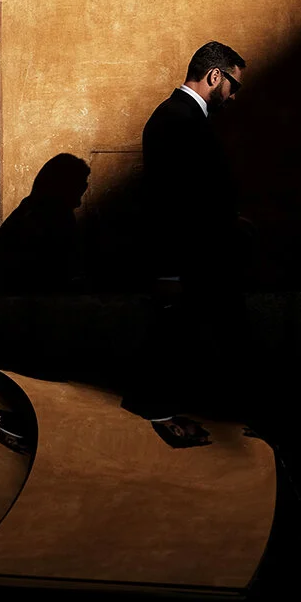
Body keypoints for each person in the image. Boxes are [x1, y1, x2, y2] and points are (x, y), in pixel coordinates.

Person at [124, 42, 253, 445]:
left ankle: (170, 414)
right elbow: (167, 202)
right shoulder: (177, 120)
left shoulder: (180, 117)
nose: (233, 96)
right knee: (179, 340)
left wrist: (228, 218)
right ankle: (161, 416)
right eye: (233, 85)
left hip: (198, 259)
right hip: (191, 262)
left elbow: (193, 194)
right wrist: (169, 272)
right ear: (215, 76)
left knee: (191, 339)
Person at [0, 153, 90, 297]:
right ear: (63, 186)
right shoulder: (41, 219)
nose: (79, 202)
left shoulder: (35, 211)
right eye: (79, 188)